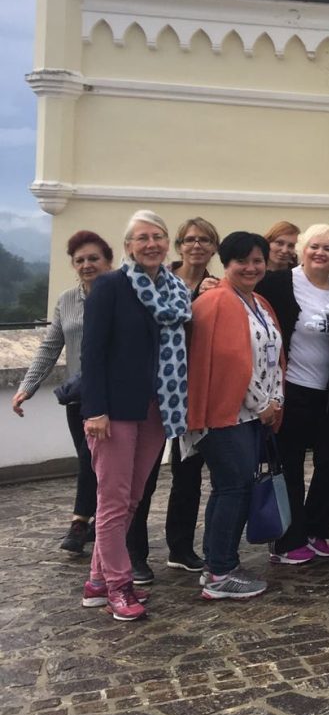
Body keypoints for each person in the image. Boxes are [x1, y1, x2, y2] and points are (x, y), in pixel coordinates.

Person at [79, 210, 191, 621]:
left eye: (158, 236)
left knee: (132, 498)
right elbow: (92, 353)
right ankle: (119, 586)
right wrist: (95, 410)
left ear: (167, 243)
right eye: (142, 238)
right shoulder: (111, 286)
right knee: (112, 501)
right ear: (128, 246)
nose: (151, 244)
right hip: (114, 411)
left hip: (159, 407)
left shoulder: (176, 290)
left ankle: (97, 581)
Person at [186, 231, 283, 599]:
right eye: (242, 260)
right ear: (226, 264)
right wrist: (263, 404)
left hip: (253, 416)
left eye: (258, 260)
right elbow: (228, 363)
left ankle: (217, 563)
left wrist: (276, 400)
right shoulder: (215, 302)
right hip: (225, 415)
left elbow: (273, 356)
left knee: (232, 488)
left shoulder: (258, 301)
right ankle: (220, 573)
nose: (251, 267)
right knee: (233, 488)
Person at [256, 223, 329, 565]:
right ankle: (287, 539)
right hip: (291, 389)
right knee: (290, 467)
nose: (320, 253)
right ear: (303, 249)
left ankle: (316, 530)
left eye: (328, 248)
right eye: (314, 246)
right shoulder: (278, 284)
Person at [12, 230, 114, 556]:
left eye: (93, 258)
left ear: (108, 261)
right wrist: (27, 387)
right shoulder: (67, 300)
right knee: (93, 461)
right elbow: (51, 345)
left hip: (113, 395)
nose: (87, 265)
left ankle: (79, 522)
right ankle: (100, 519)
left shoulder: (121, 295)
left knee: (90, 457)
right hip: (78, 395)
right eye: (80, 260)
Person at [161, 216, 222, 573]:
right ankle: (135, 552)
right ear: (179, 245)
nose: (196, 245)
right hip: (161, 387)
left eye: (204, 240)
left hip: (199, 390)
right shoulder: (160, 281)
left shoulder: (217, 287)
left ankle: (183, 547)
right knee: (147, 476)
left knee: (190, 471)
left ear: (214, 248)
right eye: (190, 239)